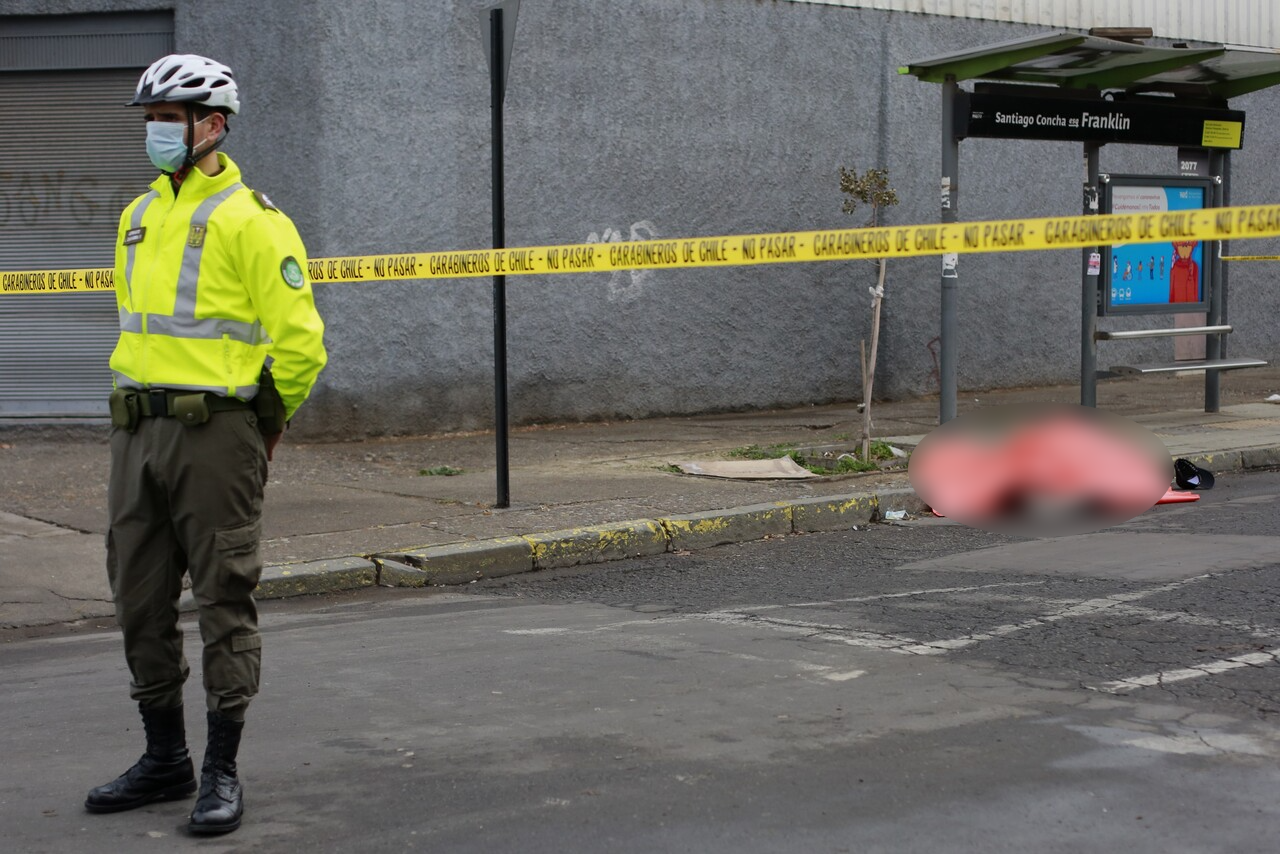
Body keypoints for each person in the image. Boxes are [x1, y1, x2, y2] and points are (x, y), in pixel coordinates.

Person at [84, 54, 327, 835]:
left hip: (217, 432)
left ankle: (221, 767)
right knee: (138, 600)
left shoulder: (255, 220)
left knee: (224, 596)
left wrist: (266, 430)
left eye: (169, 119)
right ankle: (165, 758)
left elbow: (300, 346)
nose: (155, 132)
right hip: (136, 431)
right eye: (150, 119)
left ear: (211, 125)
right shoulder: (137, 216)